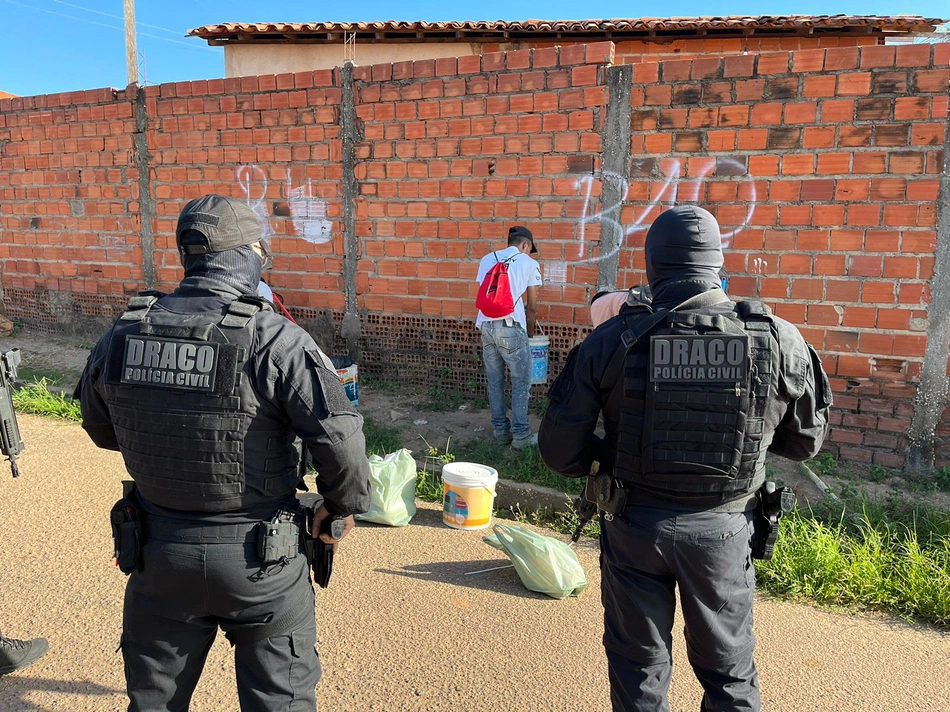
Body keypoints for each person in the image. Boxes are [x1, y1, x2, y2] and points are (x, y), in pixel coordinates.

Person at [75, 194, 371, 712]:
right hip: (262, 565)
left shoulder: (123, 331)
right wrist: (337, 509)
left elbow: (101, 429)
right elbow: (343, 447)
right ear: (249, 255)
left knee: (153, 703)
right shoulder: (276, 339)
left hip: (159, 555)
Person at [539, 205, 831, 712]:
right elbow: (804, 442)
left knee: (639, 670)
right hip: (724, 531)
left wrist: (606, 456)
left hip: (635, 527)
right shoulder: (780, 338)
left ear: (652, 271)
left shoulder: (612, 339)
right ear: (719, 267)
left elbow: (559, 453)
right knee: (729, 677)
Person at [475, 226, 543, 449]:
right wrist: (530, 333)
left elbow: (487, 294)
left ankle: (501, 432)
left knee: (495, 381)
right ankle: (521, 436)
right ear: (525, 245)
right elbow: (532, 306)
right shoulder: (529, 263)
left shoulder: (487, 259)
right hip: (511, 327)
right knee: (520, 381)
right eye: (529, 249)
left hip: (486, 326)